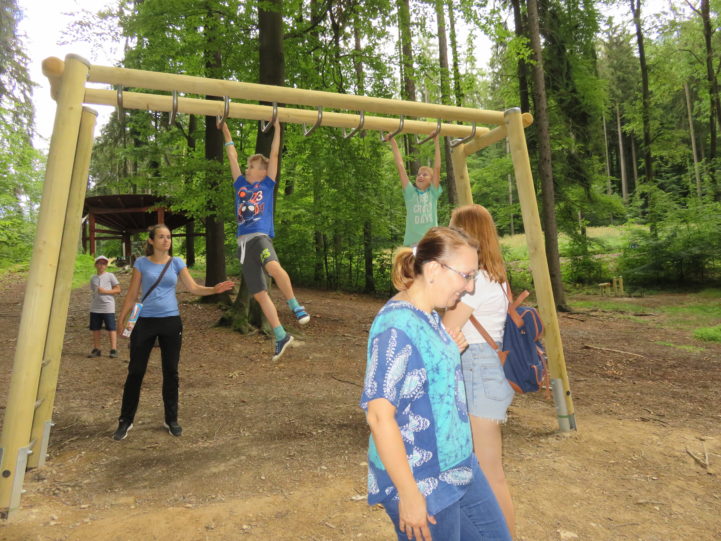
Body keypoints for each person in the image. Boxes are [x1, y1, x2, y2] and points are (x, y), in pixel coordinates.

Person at [360, 226, 512, 541]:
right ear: (433, 270)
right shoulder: (395, 328)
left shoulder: (428, 315)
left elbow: (423, 372)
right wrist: (409, 495)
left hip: (459, 464)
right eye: (465, 276)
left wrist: (448, 349)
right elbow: (378, 417)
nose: (470, 287)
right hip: (422, 479)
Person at [113, 224, 234, 441]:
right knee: (136, 371)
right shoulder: (141, 263)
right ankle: (125, 420)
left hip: (170, 321)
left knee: (171, 372)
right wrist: (121, 319)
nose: (166, 240)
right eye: (161, 237)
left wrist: (214, 290)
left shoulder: (176, 262)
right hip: (144, 321)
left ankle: (171, 419)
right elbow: (132, 294)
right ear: (151, 240)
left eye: (168, 237)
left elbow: (193, 288)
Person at [442, 204, 516, 537]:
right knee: (481, 468)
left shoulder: (478, 281)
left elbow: (448, 329)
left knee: (489, 471)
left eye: (454, 230)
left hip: (478, 370)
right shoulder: (495, 277)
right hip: (484, 370)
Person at [220, 118, 310, 361]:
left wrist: (278, 128)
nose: (247, 169)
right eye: (247, 166)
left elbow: (275, 154)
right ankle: (280, 335)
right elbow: (232, 156)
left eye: (252, 166)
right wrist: (226, 130)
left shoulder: (267, 185)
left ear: (262, 172)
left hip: (260, 238)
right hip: (243, 246)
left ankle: (295, 306)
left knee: (273, 268)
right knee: (259, 294)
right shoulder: (240, 184)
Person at [385, 133, 442, 246]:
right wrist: (393, 141)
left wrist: (436, 141)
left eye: (425, 175)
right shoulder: (410, 193)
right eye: (418, 174)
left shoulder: (433, 193)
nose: (420, 176)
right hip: (414, 242)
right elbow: (401, 167)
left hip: (431, 240)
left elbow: (437, 168)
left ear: (431, 180)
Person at [88, 255, 121, 358]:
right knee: (95, 328)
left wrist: (105, 291)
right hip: (95, 307)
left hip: (108, 306)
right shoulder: (93, 278)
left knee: (111, 328)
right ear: (95, 265)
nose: (101, 265)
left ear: (106, 266)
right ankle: (97, 349)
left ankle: (113, 349)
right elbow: (93, 291)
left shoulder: (110, 276)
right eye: (99, 263)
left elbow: (118, 289)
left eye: (104, 263)